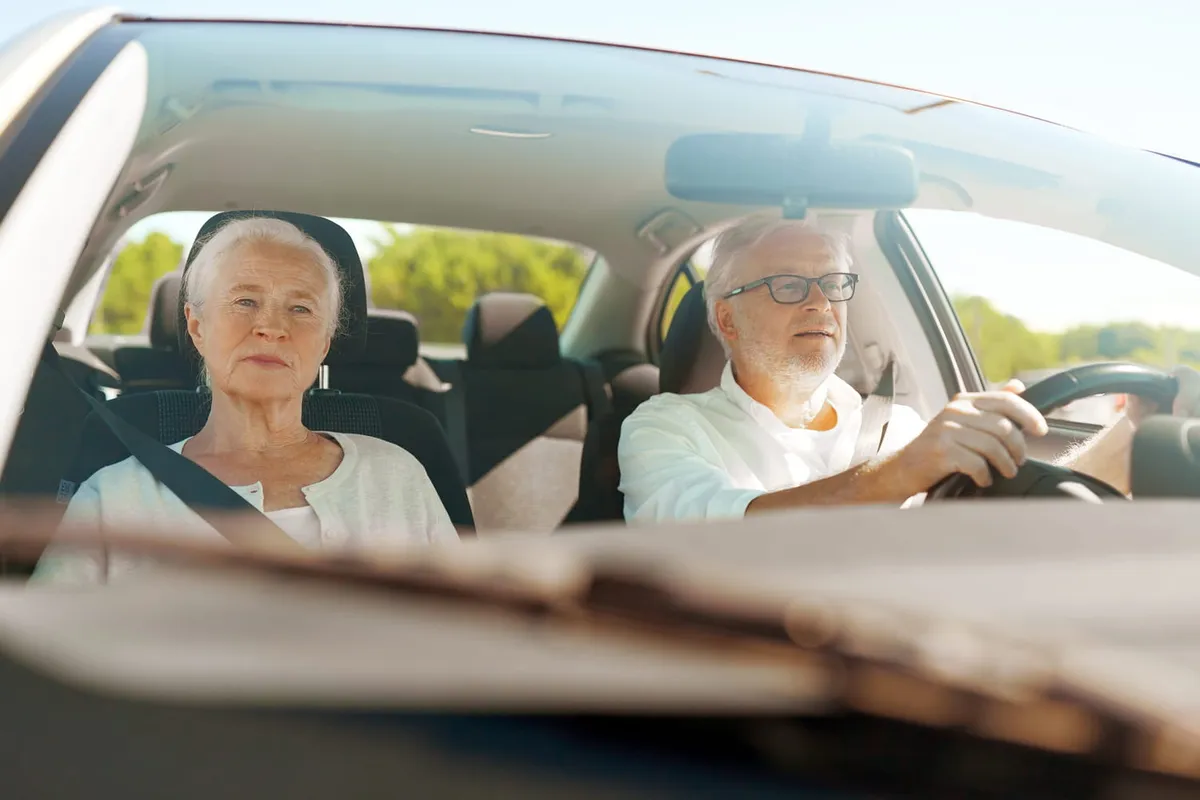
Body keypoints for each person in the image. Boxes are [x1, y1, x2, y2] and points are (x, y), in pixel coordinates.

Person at [619, 212, 1200, 522]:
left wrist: (1130, 441)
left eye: (832, 284)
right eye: (789, 285)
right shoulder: (664, 427)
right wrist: (905, 471)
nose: (820, 302)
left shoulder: (895, 427)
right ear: (726, 320)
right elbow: (706, 535)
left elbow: (1001, 528)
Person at [36, 216, 457, 583]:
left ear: (325, 342)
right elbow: (42, 654)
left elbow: (463, 637)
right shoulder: (115, 496)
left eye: (301, 309)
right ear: (197, 326)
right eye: (245, 301)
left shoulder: (397, 475)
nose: (271, 327)